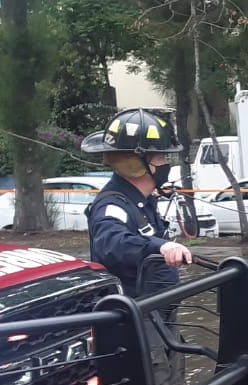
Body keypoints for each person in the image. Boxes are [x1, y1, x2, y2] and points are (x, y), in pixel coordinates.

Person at [83, 108, 194, 296]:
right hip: (133, 319)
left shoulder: (143, 201)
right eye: (161, 157)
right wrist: (161, 246)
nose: (166, 164)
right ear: (135, 164)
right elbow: (112, 244)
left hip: (157, 316)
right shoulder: (112, 206)